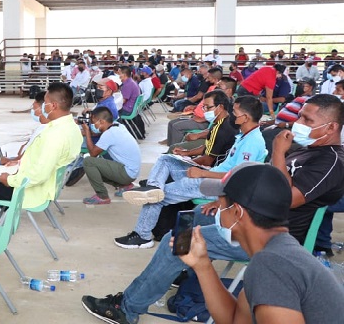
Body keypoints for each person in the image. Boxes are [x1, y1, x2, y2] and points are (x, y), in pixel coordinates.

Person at [81, 94, 344, 324]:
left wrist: (278, 151)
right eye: (300, 116)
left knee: (176, 243)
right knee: (189, 218)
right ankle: (176, 270)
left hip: (264, 234)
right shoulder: (305, 150)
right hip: (248, 218)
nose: (298, 123)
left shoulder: (329, 160)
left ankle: (127, 308)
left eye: (307, 120)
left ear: (331, 127)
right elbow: (264, 182)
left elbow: (285, 198)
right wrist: (225, 201)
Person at [178, 163, 344, 324]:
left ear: (237, 212)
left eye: (220, 204)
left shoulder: (271, 265)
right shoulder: (277, 253)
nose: (217, 211)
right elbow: (235, 320)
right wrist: (202, 265)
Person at [116, 93, 264, 249]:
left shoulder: (253, 142)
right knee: (166, 160)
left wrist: (203, 174)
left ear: (245, 117)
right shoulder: (244, 135)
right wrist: (191, 161)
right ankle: (154, 187)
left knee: (160, 196)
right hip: (212, 174)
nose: (231, 114)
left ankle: (142, 236)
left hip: (216, 183)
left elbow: (238, 178)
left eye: (234, 112)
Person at [0, 82, 83, 223]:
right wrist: (19, 162)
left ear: (53, 105)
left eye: (45, 103)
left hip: (29, 190)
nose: (43, 107)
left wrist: (10, 180)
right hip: (37, 182)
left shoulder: (55, 135)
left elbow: (38, 175)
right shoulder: (71, 128)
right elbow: (43, 160)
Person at [81, 107, 141, 205]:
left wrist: (87, 132)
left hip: (127, 173)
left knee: (89, 162)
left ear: (101, 121)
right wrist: (86, 131)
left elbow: (93, 153)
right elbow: (100, 132)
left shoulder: (109, 134)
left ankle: (102, 196)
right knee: (99, 166)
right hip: (132, 172)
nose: (92, 125)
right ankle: (125, 185)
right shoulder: (118, 126)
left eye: (93, 122)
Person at [259, 78, 315, 160]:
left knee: (266, 134)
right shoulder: (296, 99)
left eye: (302, 84)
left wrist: (286, 124)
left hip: (289, 128)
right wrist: (269, 122)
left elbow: (305, 120)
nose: (298, 86)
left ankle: (269, 161)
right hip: (280, 125)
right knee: (256, 129)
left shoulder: (308, 100)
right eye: (298, 84)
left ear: (310, 88)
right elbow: (284, 117)